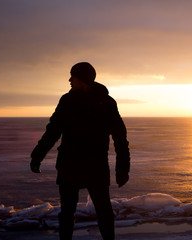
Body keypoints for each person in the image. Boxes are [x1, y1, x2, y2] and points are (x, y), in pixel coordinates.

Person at [30, 62, 130, 240]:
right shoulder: (67, 101)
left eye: (72, 76)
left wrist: (122, 169)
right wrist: (37, 156)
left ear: (82, 78)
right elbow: (53, 131)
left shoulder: (106, 102)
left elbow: (120, 137)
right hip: (70, 165)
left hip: (94, 166)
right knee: (68, 214)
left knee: (103, 212)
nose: (69, 80)